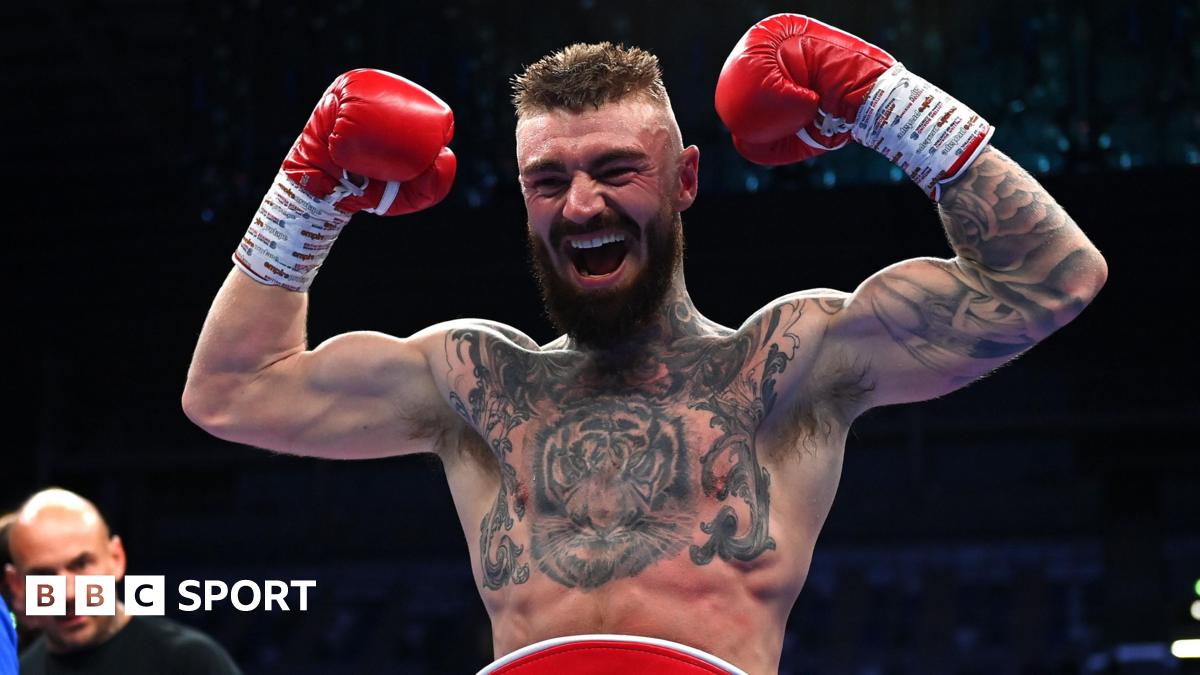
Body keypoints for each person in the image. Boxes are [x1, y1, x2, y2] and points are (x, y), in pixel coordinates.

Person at [182, 14, 1107, 674]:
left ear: (685, 180)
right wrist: (309, 195)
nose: (580, 203)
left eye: (616, 169)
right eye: (548, 180)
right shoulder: (474, 380)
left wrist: (883, 101)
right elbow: (232, 392)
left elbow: (1049, 279)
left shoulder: (789, 364)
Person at [3, 489, 242, 675]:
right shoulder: (19, 671)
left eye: (82, 564)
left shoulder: (189, 662)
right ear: (17, 586)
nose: (68, 594)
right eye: (43, 576)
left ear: (116, 558)